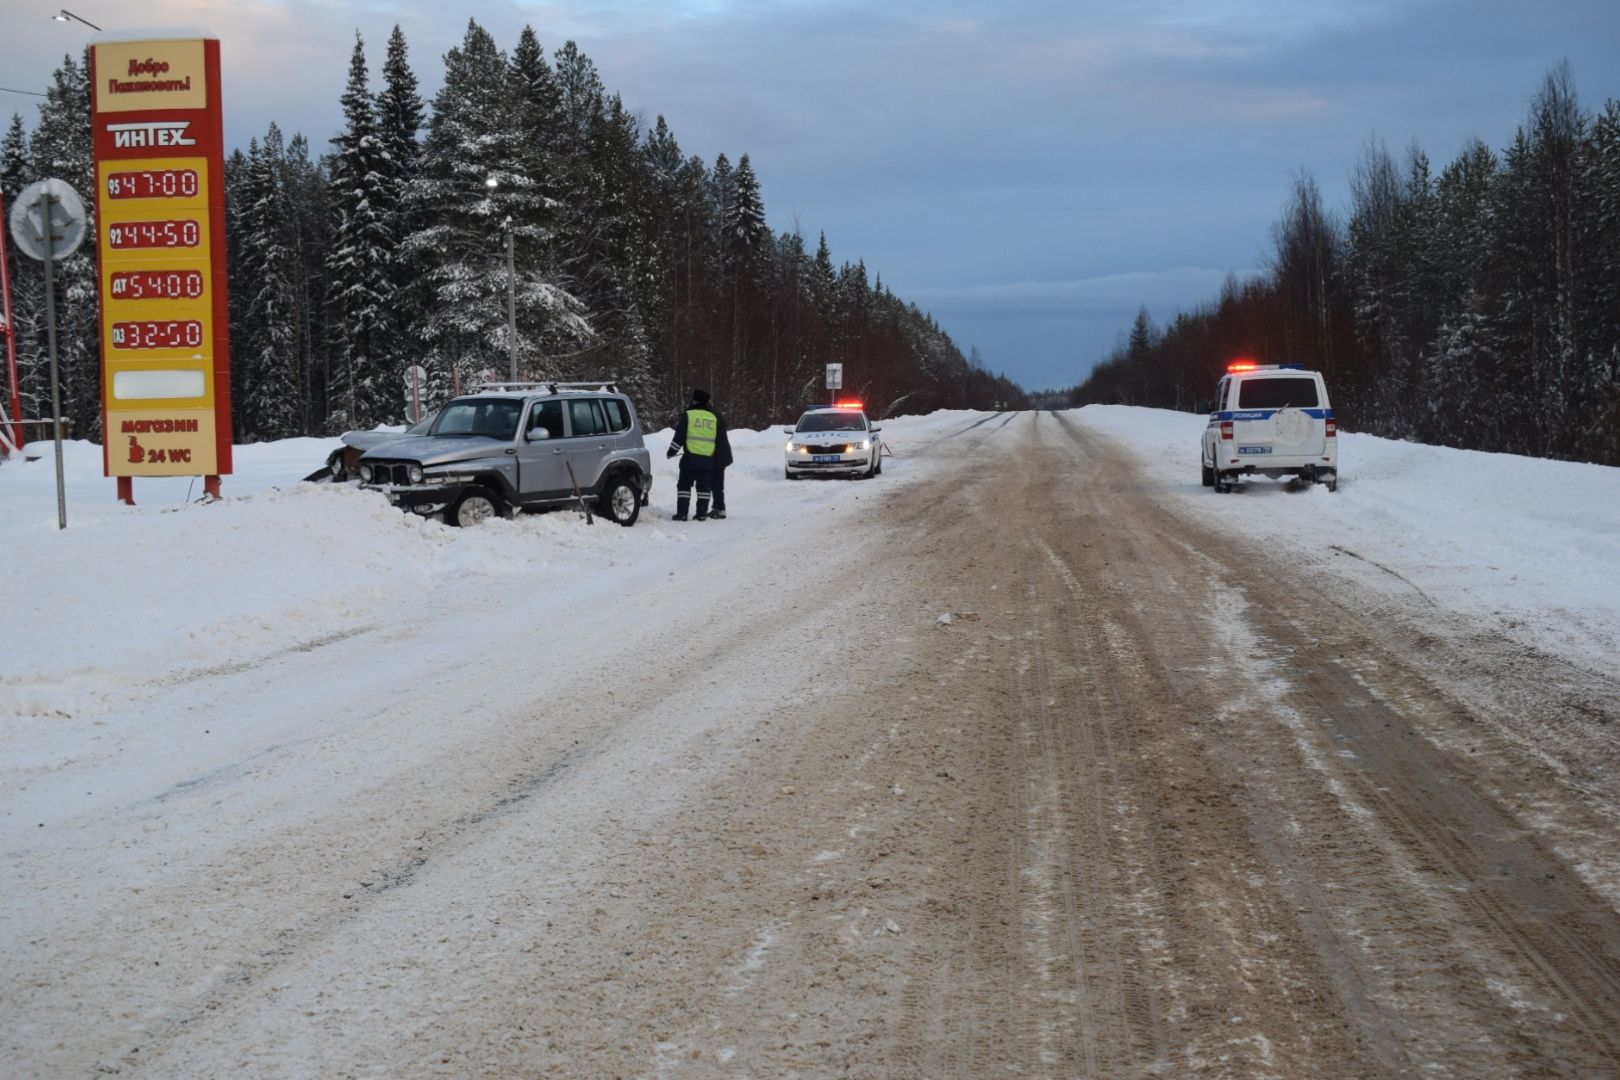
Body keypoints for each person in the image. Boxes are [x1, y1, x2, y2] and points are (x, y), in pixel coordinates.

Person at [667, 388, 725, 521]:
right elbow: (716, 439)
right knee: (704, 488)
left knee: (684, 486)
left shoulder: (689, 415)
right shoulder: (713, 418)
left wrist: (671, 452)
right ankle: (701, 514)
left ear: (694, 400)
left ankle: (682, 514)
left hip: (690, 459)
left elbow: (679, 437)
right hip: (707, 459)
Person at [709, 422, 733, 519]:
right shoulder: (715, 416)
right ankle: (717, 507)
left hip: (719, 456)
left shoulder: (711, 416)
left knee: (716, 484)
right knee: (716, 484)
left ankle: (720, 509)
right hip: (721, 455)